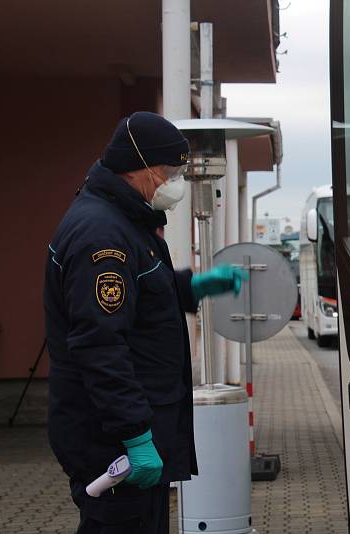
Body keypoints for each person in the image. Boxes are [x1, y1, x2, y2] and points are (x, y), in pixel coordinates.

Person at [43, 111, 247, 534]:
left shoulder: (122, 222)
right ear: (142, 168)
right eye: (171, 173)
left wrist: (191, 288)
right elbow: (100, 344)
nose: (174, 185)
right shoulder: (102, 237)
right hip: (111, 442)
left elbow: (136, 300)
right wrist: (135, 436)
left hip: (130, 430)